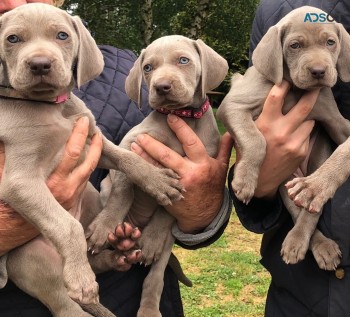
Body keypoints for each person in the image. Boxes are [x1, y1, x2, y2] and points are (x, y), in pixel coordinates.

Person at [0, 1, 233, 316]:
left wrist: (203, 207)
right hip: (36, 284)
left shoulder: (128, 71)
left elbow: (113, 152)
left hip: (130, 285)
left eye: (61, 36)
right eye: (14, 39)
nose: (40, 56)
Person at [231, 0, 350, 316]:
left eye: (329, 44)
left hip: (321, 172)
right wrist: (256, 161)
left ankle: (310, 233)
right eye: (297, 46)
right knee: (294, 180)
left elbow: (342, 133)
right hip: (299, 291)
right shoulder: (275, 10)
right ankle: (309, 234)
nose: (318, 62)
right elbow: (236, 106)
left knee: (319, 166)